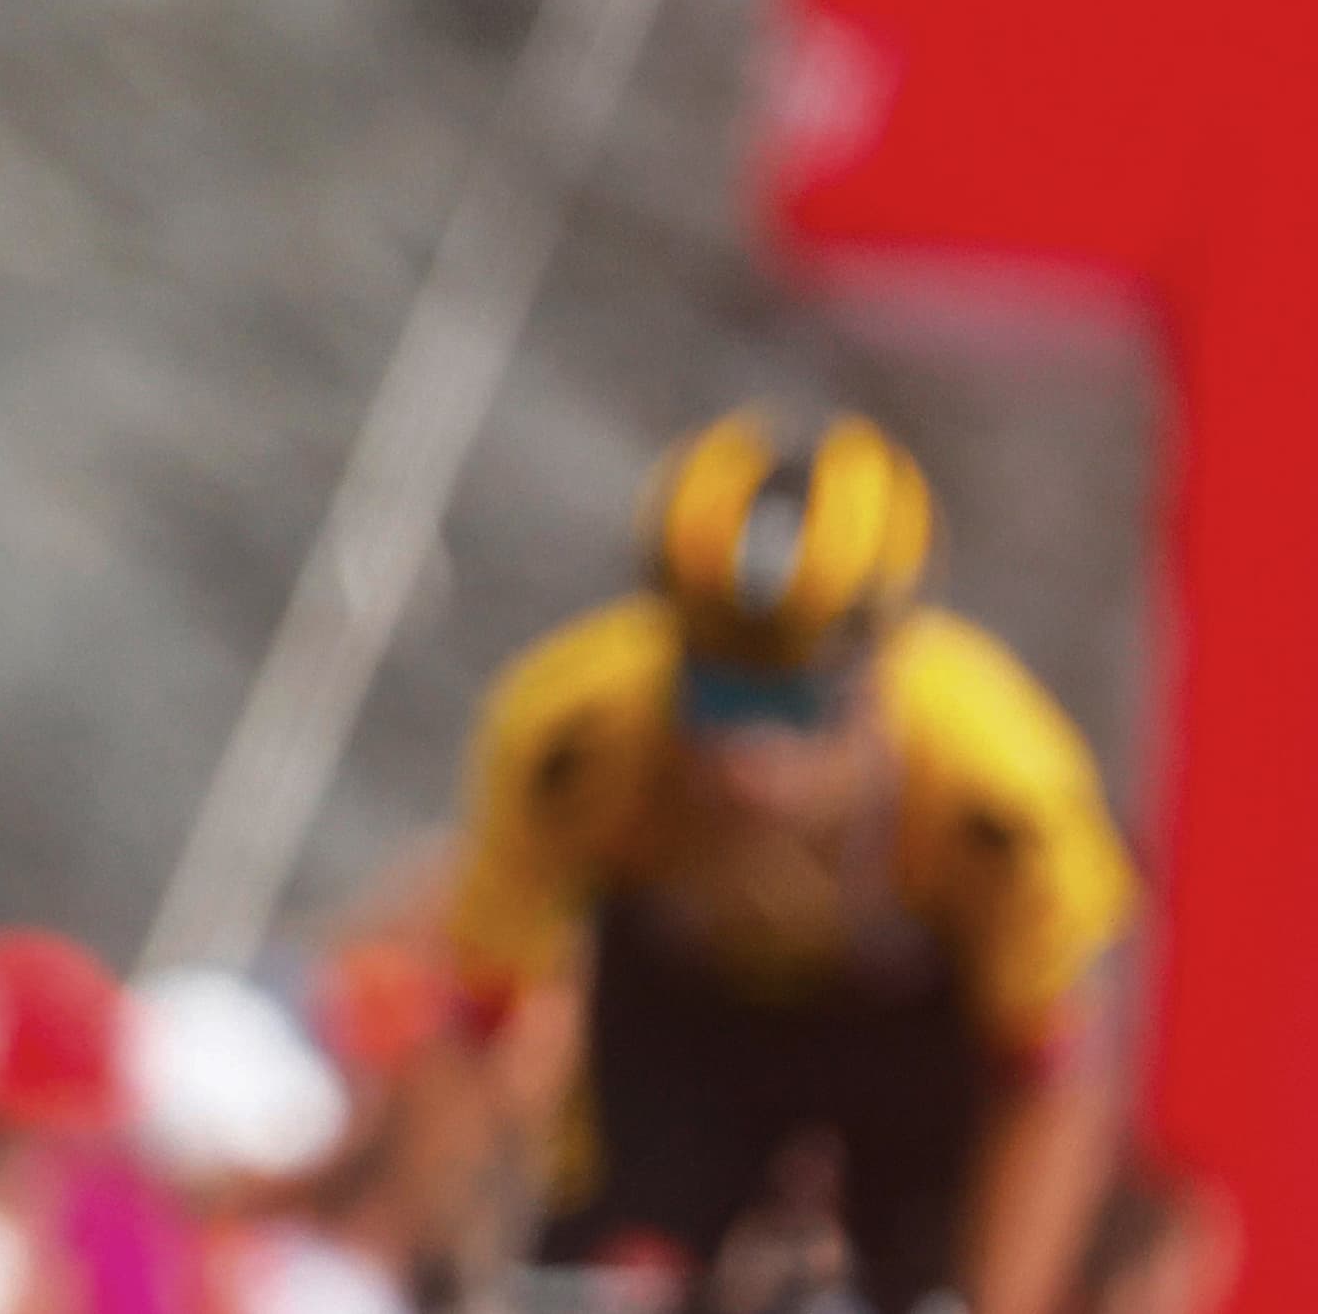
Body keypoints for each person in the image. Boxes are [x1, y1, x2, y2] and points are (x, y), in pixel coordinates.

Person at [432, 410, 1131, 1314]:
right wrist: (457, 1262)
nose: (747, 755)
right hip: (676, 1031)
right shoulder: (567, 734)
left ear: (877, 666)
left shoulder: (1004, 796)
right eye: (717, 691)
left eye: (798, 703)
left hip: (917, 1043)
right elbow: (488, 1021)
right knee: (614, 1277)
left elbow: (1048, 1087)